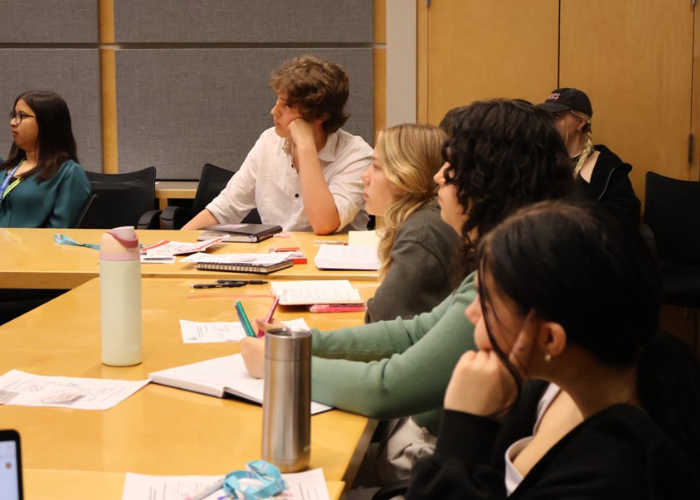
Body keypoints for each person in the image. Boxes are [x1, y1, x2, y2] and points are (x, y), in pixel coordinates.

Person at [242, 99, 574, 483]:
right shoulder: (503, 261)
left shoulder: (510, 281)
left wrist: (281, 367)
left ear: (490, 183)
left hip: (432, 455)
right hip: (437, 446)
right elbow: (412, 331)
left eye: (451, 168)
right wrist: (297, 343)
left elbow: (387, 387)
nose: (438, 177)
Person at [406, 201, 700, 499]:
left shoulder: (615, 476)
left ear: (549, 339)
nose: (471, 313)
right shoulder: (555, 384)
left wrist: (465, 426)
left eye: (487, 303)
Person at [182, 55, 371, 234]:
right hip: (277, 254)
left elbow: (324, 224)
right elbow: (225, 209)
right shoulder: (269, 142)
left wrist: (305, 145)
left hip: (331, 257)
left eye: (287, 105)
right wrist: (174, 243)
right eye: (278, 101)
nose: (274, 111)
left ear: (321, 115)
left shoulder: (355, 155)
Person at [362, 123, 459, 323]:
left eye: (376, 167)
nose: (365, 176)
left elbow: (382, 318)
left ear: (405, 176)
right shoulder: (426, 219)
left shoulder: (422, 230)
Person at [539, 87, 641, 226]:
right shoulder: (538, 159)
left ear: (580, 122)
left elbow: (627, 213)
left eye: (557, 117)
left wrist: (578, 213)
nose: (548, 123)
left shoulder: (606, 165)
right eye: (547, 117)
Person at [0, 90, 90, 228]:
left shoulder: (69, 173)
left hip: (27, 243)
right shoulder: (4, 168)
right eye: (14, 115)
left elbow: (59, 233)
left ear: (47, 122)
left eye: (21, 116)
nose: (12, 122)